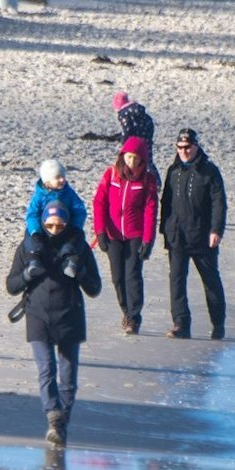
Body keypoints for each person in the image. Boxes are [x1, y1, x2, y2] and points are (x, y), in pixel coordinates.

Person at [6, 200, 102, 444]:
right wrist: (28, 274)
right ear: (43, 223)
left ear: (68, 223)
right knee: (46, 369)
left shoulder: (79, 247)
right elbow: (11, 285)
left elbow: (94, 288)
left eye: (60, 226)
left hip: (70, 315)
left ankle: (62, 422)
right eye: (50, 225)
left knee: (68, 375)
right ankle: (53, 417)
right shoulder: (29, 246)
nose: (54, 230)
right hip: (38, 315)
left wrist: (79, 272)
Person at [160, 129, 228, 341]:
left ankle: (218, 324)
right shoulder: (173, 171)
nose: (184, 151)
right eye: (180, 147)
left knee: (211, 281)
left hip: (202, 236)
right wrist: (165, 229)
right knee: (177, 280)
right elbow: (166, 202)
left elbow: (219, 202)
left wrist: (216, 230)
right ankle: (181, 323)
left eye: (187, 147)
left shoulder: (209, 171)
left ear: (196, 146)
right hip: (177, 235)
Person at [91, 136, 159, 335]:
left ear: (142, 160)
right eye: (129, 157)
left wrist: (148, 240)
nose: (132, 162)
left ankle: (134, 317)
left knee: (132, 275)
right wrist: (100, 231)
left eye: (136, 158)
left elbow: (150, 210)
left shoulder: (147, 179)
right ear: (123, 156)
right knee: (117, 277)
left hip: (135, 234)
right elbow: (99, 203)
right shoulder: (111, 174)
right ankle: (125, 310)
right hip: (112, 235)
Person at [24, 158, 88, 234]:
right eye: (57, 177)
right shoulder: (39, 196)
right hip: (44, 231)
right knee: (32, 243)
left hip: (65, 229)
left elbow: (79, 211)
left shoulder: (69, 193)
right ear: (47, 182)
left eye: (63, 177)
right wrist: (35, 231)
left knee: (74, 244)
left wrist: (76, 227)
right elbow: (32, 214)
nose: (62, 180)